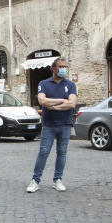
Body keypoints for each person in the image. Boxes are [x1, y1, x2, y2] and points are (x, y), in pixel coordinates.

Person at [26, 58, 77, 193]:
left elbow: (72, 104)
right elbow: (42, 100)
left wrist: (52, 107)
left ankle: (57, 180)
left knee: (62, 153)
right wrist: (61, 101)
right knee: (43, 152)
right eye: (61, 66)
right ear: (53, 69)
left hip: (65, 124)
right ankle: (35, 181)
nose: (63, 69)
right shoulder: (44, 83)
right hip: (49, 125)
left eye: (65, 66)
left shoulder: (71, 85)